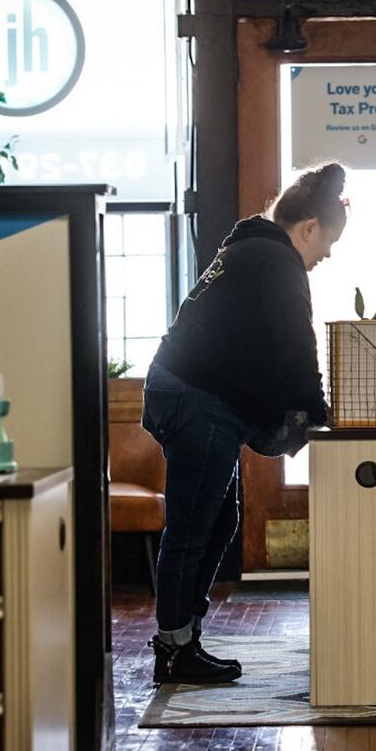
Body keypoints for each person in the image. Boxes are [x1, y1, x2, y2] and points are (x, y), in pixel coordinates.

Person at [141, 163, 347, 684]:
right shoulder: (277, 261)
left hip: (184, 390)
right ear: (307, 228)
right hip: (196, 399)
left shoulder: (246, 249)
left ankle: (183, 638)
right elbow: (297, 347)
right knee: (191, 530)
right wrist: (320, 416)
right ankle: (174, 651)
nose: (326, 255)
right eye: (327, 241)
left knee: (219, 523)